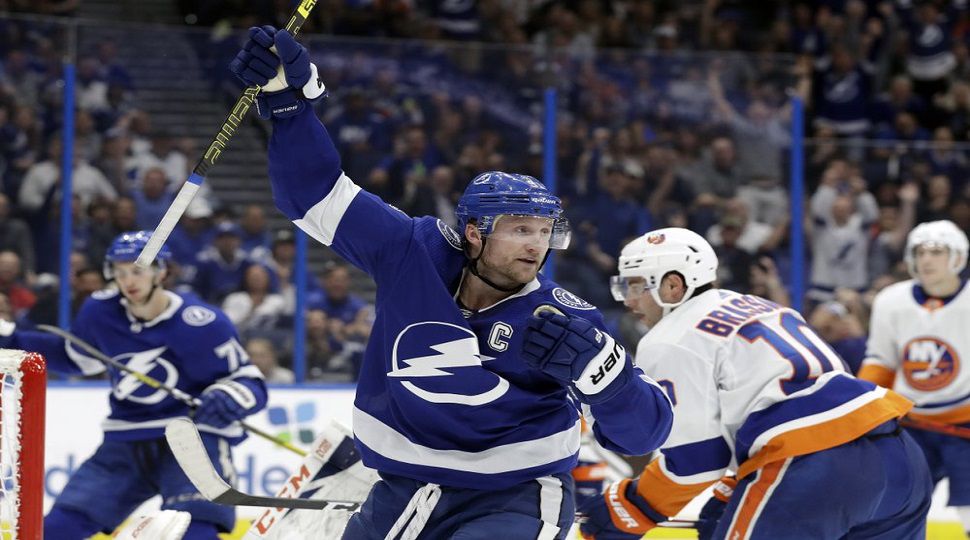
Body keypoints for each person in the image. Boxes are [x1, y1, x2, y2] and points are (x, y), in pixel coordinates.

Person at [229, 26, 673, 539]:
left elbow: (644, 434)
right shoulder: (410, 251)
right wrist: (288, 104)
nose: (536, 245)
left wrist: (611, 381)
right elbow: (312, 195)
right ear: (472, 233)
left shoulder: (561, 320)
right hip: (402, 489)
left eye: (545, 232)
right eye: (520, 229)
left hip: (514, 497)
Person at [578, 227, 932, 540]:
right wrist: (740, 481)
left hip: (814, 468)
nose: (628, 299)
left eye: (635, 285)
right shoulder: (763, 306)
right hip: (901, 458)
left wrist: (632, 507)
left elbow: (695, 462)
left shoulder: (669, 338)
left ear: (673, 285)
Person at [0, 231, 268, 539]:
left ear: (162, 272)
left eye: (137, 270)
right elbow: (77, 358)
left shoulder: (202, 323)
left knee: (198, 530)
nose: (128, 280)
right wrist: (12, 339)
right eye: (120, 271)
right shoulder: (101, 312)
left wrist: (226, 397)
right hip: (126, 439)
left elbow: (251, 383)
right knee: (60, 528)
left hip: (192, 436)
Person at [858, 220, 970, 535]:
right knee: (893, 507)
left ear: (958, 257)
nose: (927, 259)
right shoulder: (891, 300)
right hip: (912, 425)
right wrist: (864, 411)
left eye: (937, 251)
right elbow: (881, 360)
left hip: (966, 427)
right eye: (920, 251)